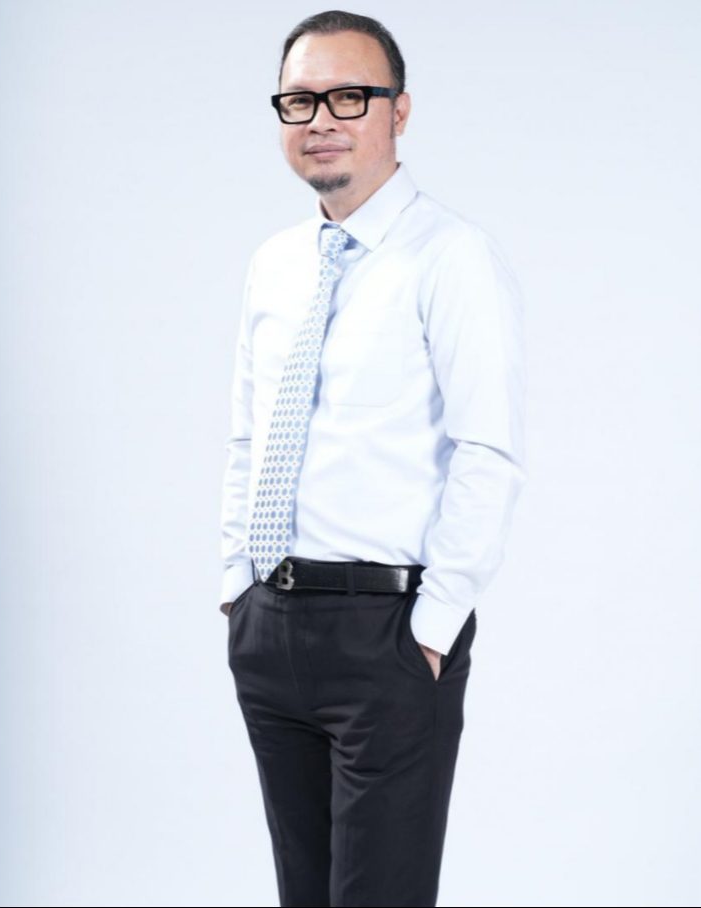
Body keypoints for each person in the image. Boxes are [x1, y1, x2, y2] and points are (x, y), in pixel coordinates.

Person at [218, 10, 527, 906]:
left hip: (386, 636)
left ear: (400, 110)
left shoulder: (451, 257)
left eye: (349, 96)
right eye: (300, 100)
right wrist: (236, 588)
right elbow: (248, 435)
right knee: (303, 892)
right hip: (270, 627)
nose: (321, 119)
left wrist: (431, 631)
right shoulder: (275, 263)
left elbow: (488, 451)